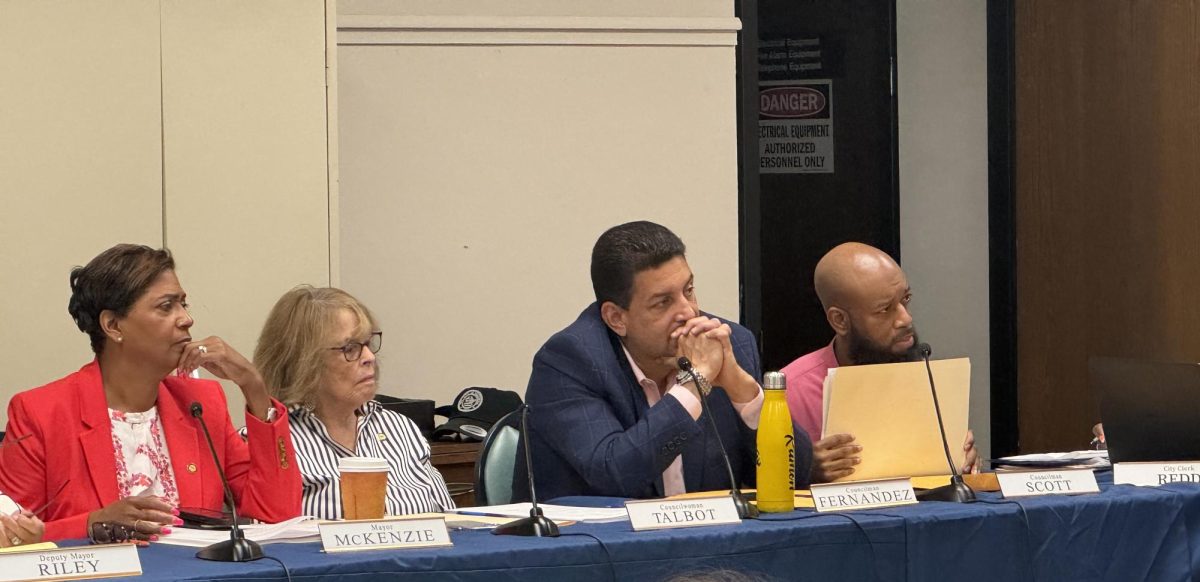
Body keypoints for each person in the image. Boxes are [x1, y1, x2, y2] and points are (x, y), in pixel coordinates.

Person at [0, 244, 300, 541]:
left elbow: (278, 514)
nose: (186, 318)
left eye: (184, 304)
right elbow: (11, 537)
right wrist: (93, 524)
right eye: (166, 306)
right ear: (113, 325)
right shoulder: (41, 412)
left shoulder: (202, 404)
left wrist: (254, 387)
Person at [523, 221, 813, 500]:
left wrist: (741, 389)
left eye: (688, 290)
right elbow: (615, 474)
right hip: (598, 545)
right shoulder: (569, 361)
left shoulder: (730, 343)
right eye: (663, 302)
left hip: (709, 542)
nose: (688, 312)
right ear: (616, 318)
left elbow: (796, 478)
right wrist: (695, 383)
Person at [780, 242, 978, 482]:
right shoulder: (790, 393)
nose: (906, 318)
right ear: (840, 320)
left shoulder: (924, 375)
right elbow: (761, 490)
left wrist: (962, 460)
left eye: (905, 299)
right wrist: (803, 471)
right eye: (885, 310)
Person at [253, 286, 455, 519]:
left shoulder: (400, 429)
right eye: (350, 348)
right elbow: (266, 543)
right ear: (303, 362)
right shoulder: (270, 443)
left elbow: (452, 525)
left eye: (368, 343)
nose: (369, 357)